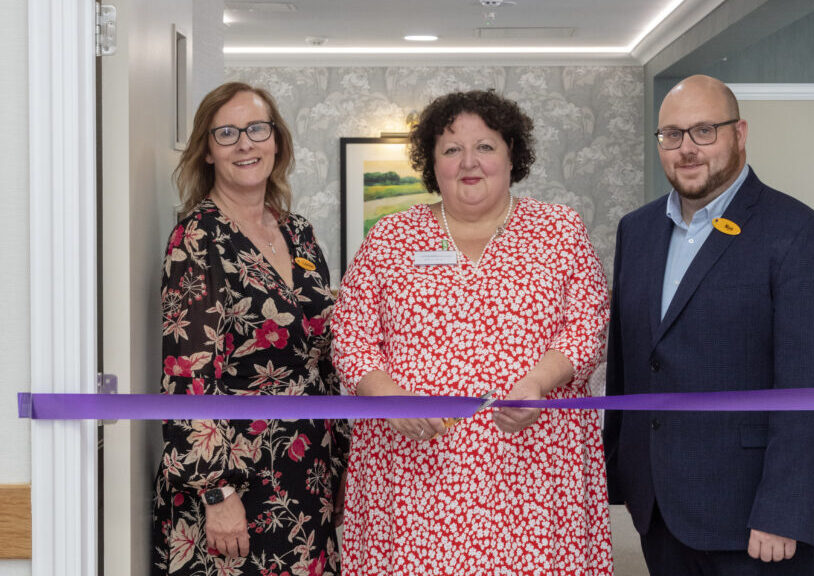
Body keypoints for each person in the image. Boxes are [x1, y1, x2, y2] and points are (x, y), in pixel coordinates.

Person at [331, 90, 613, 575]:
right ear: (432, 163)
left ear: (511, 154)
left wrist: (537, 383)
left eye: (484, 146)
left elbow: (588, 325)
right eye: (450, 149)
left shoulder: (559, 230)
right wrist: (389, 395)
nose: (469, 162)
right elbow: (350, 336)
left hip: (534, 467)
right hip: (414, 469)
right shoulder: (390, 237)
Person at [603, 75, 814, 576]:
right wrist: (627, 476)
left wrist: (785, 510)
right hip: (661, 512)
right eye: (671, 135)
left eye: (703, 131)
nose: (686, 149)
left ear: (740, 133)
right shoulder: (639, 230)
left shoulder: (802, 235)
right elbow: (631, 360)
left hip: (759, 523)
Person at [152, 82, 348, 576]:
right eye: (227, 134)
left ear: (276, 141)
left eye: (257, 129)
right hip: (234, 479)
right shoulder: (197, 239)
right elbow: (186, 377)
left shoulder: (298, 231)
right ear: (208, 152)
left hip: (308, 467)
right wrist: (216, 492)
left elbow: (325, 353)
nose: (245, 144)